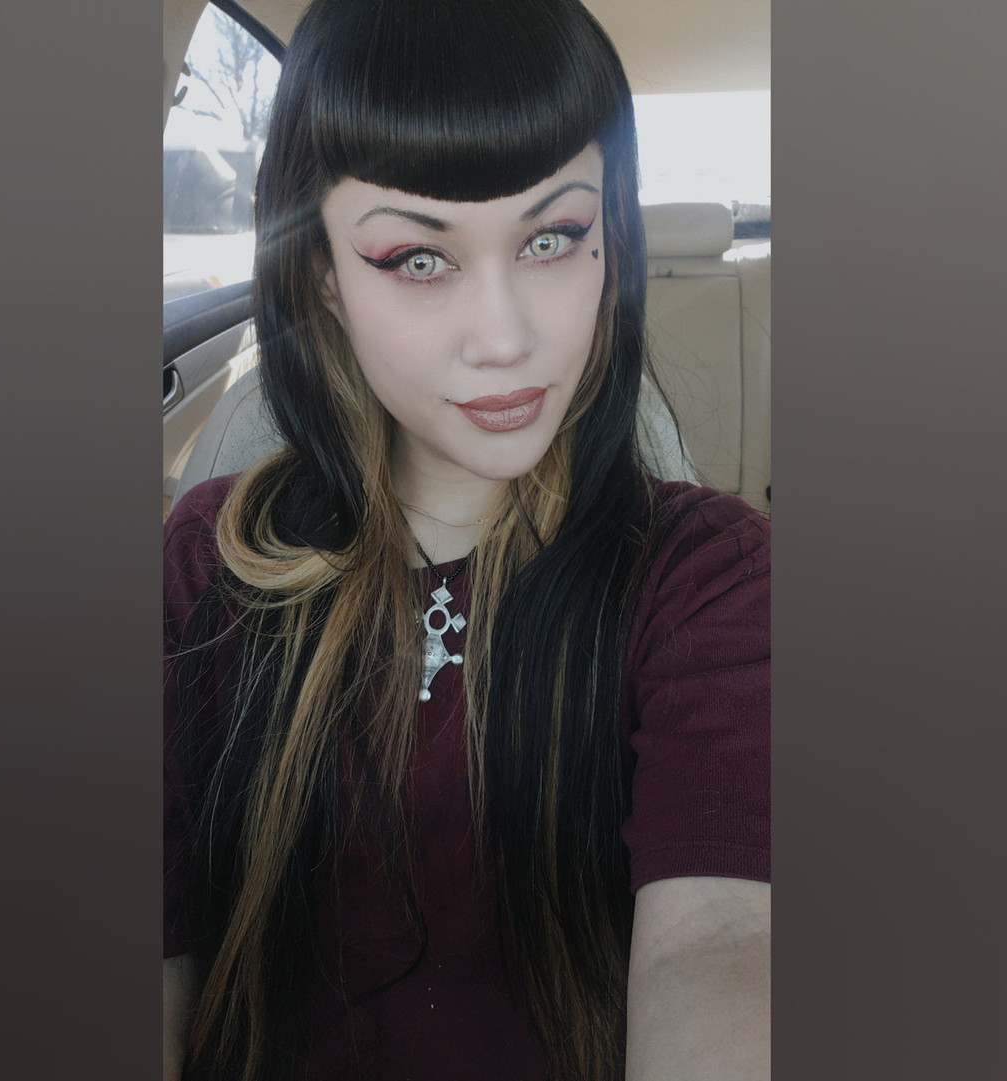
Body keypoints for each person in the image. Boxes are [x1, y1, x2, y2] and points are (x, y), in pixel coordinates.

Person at [163, 1, 770, 1078]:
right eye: (415, 257)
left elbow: (724, 949)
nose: (505, 339)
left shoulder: (711, 581)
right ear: (322, 275)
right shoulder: (204, 565)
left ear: (609, 243)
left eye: (552, 238)